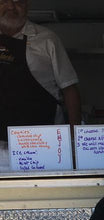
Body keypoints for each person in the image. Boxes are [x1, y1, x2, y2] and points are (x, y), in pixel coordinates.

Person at [0, 0, 81, 141]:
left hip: (45, 139)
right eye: (4, 2)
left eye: (18, 2)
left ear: (28, 5)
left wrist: (75, 137)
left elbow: (69, 89)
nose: (11, 7)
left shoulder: (47, 39)